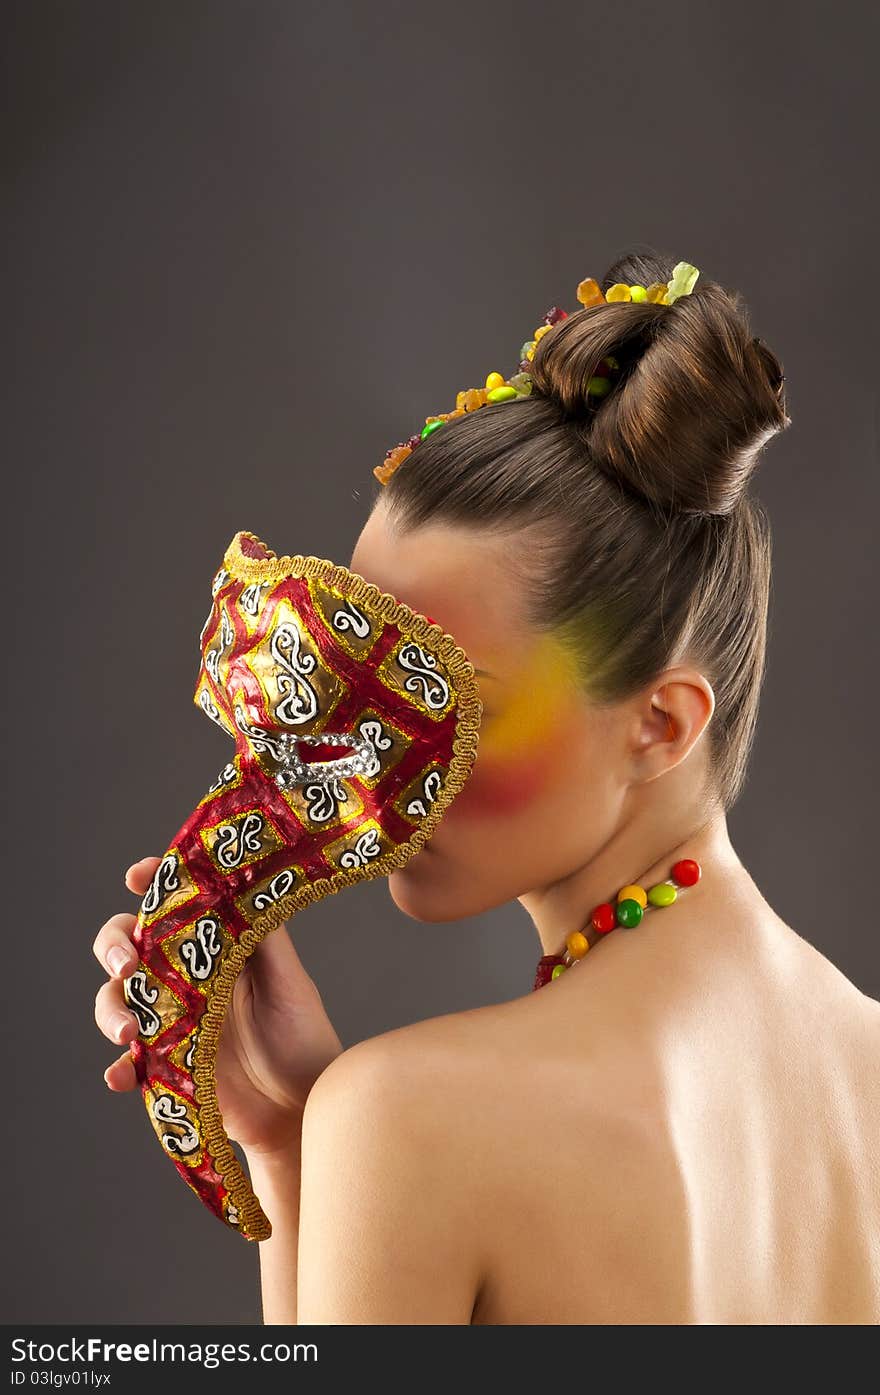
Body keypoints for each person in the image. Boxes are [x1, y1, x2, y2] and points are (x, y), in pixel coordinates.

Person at [92, 250, 880, 1324]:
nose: (363, 771)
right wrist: (287, 1147)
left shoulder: (415, 1120)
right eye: (346, 696)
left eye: (436, 707)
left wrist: (340, 1147)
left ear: (660, 724)